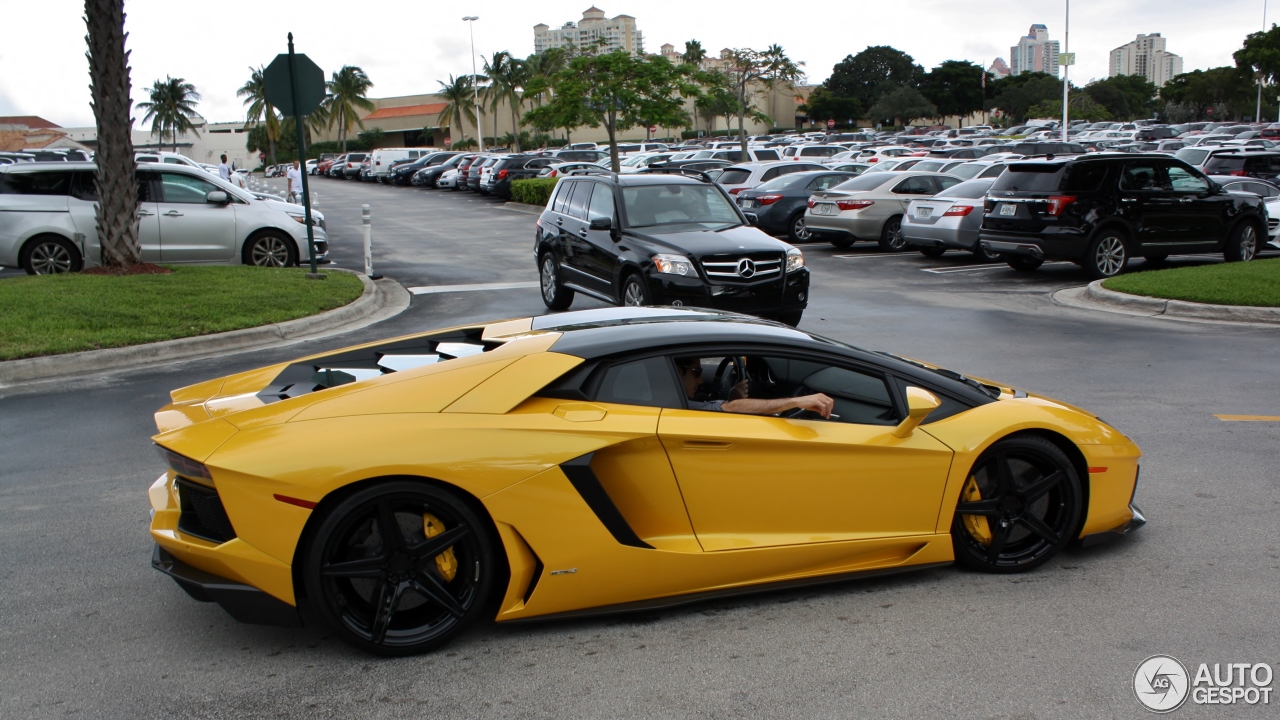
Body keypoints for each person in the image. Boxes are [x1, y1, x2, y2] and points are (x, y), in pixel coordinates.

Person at [675, 356, 835, 418]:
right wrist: (797, 401)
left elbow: (730, 406)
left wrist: (731, 400)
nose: (701, 380)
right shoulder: (674, 407)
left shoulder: (664, 398)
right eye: (696, 373)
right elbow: (732, 408)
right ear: (678, 371)